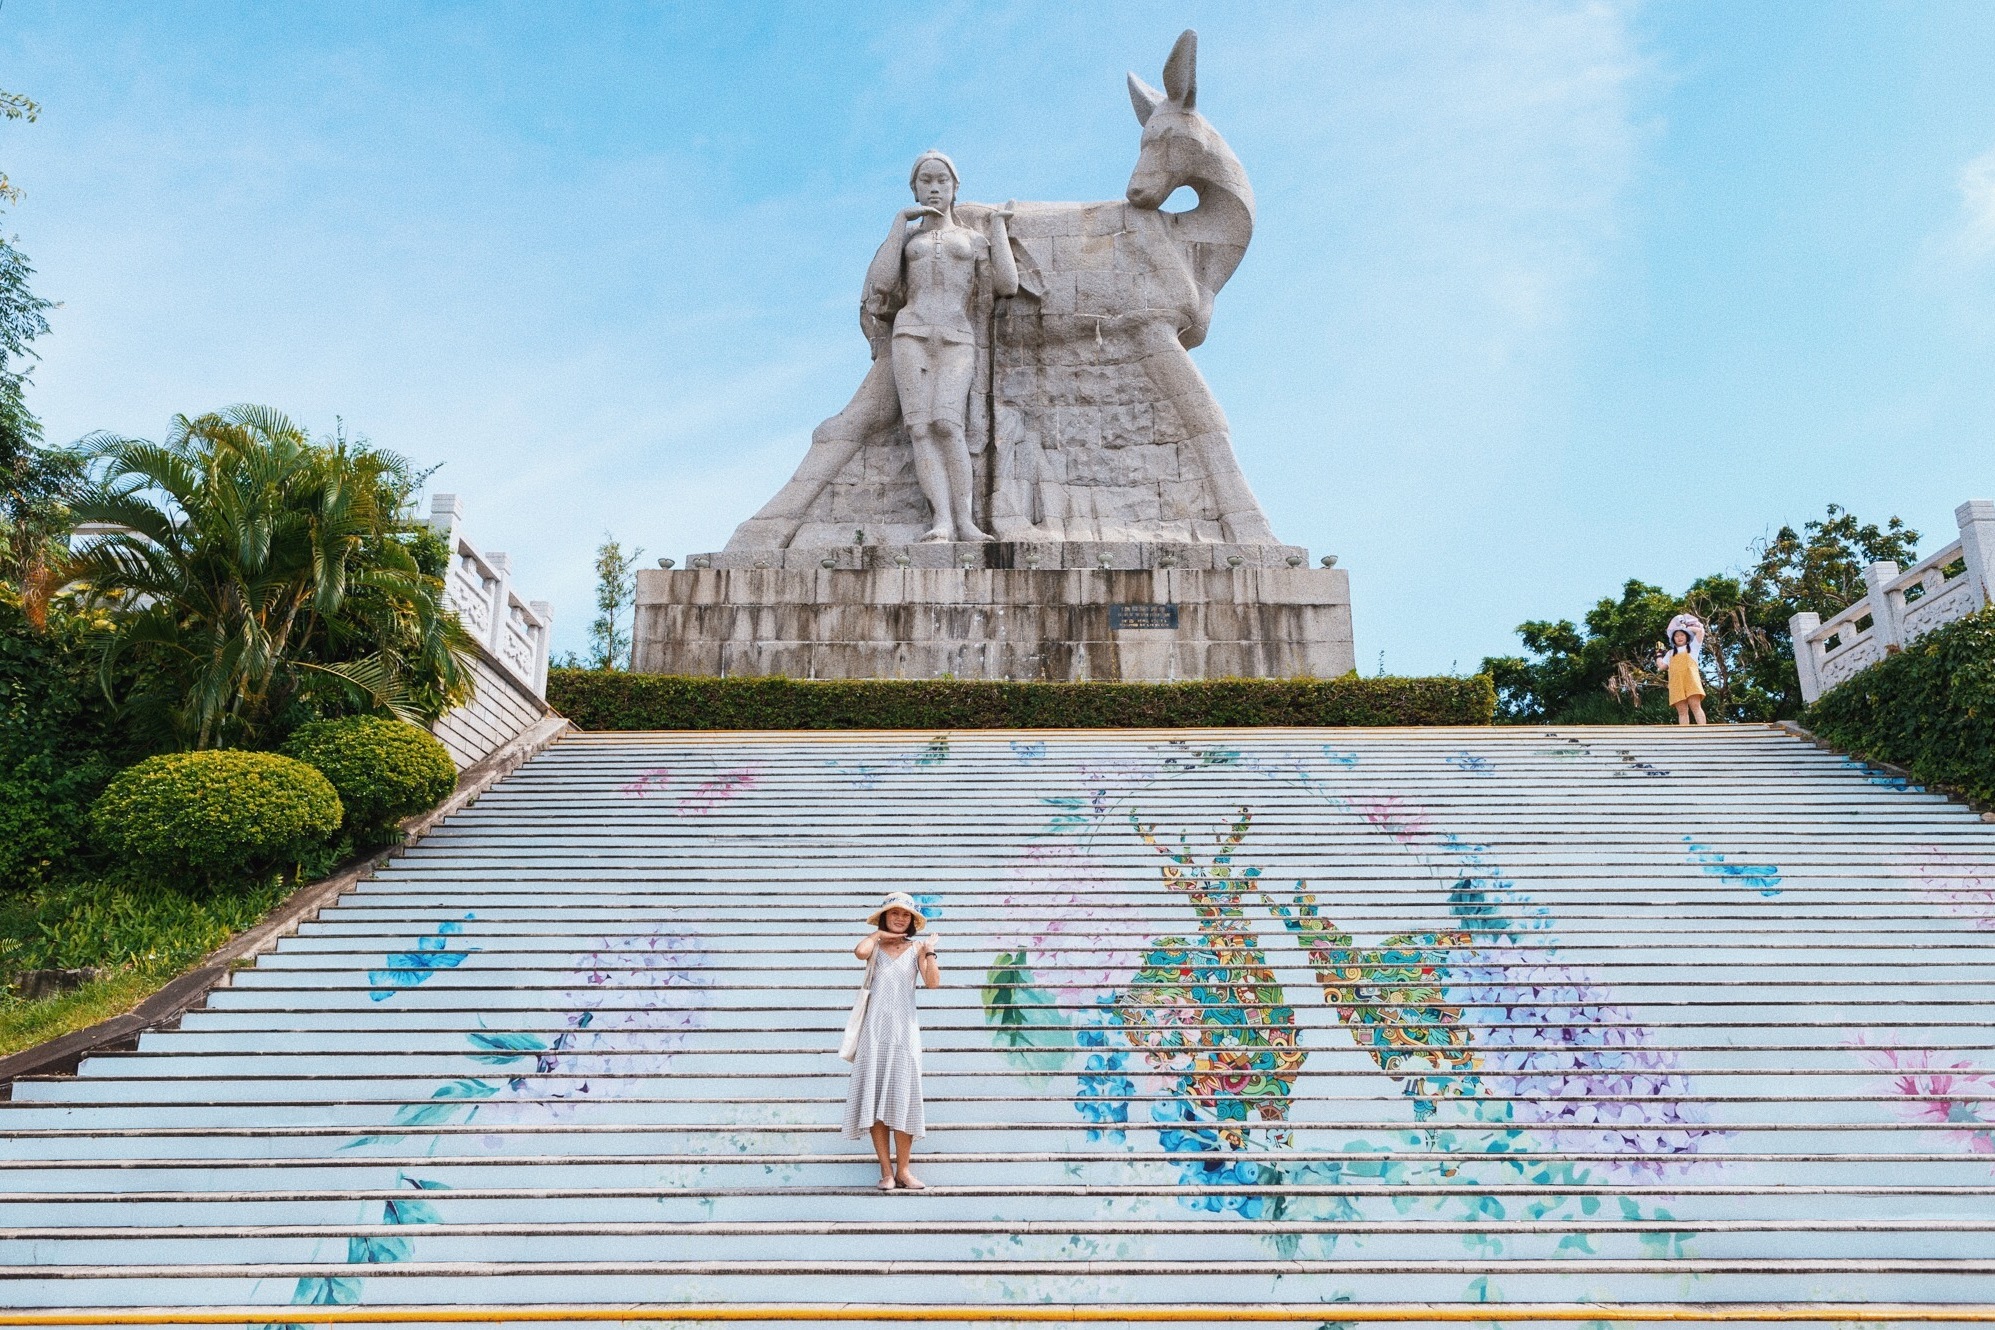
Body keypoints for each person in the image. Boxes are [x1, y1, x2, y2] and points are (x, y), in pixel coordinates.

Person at [862, 151, 1019, 543]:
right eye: (925, 181)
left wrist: (998, 228)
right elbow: (881, 283)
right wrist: (898, 226)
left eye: (941, 181)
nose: (934, 188)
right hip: (911, 332)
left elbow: (1008, 285)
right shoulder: (908, 240)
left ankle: (964, 521)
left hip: (955, 335)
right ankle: (942, 521)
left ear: (955, 187)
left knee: (948, 425)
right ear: (914, 188)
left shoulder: (972, 238)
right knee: (919, 426)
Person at [844, 891, 941, 1190]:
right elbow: (860, 952)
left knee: (903, 1099)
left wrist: (929, 952)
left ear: (912, 921)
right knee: (875, 1100)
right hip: (874, 1032)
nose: (899, 919)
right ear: (885, 917)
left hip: (904, 1032)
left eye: (905, 915)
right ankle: (886, 1171)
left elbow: (933, 983)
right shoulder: (874, 946)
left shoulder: (916, 949)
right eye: (894, 914)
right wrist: (876, 935)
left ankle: (905, 1170)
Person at [1656, 623, 1708, 726]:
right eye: (1676, 635)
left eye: (1682, 635)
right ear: (1673, 639)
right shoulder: (1670, 653)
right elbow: (1661, 667)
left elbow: (1700, 631)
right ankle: (1685, 736)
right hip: (1676, 683)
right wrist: (1658, 654)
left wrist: (1686, 626)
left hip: (1691, 680)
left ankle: (1703, 731)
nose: (1679, 638)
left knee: (1695, 706)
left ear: (1686, 636)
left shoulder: (1693, 647)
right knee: (1682, 711)